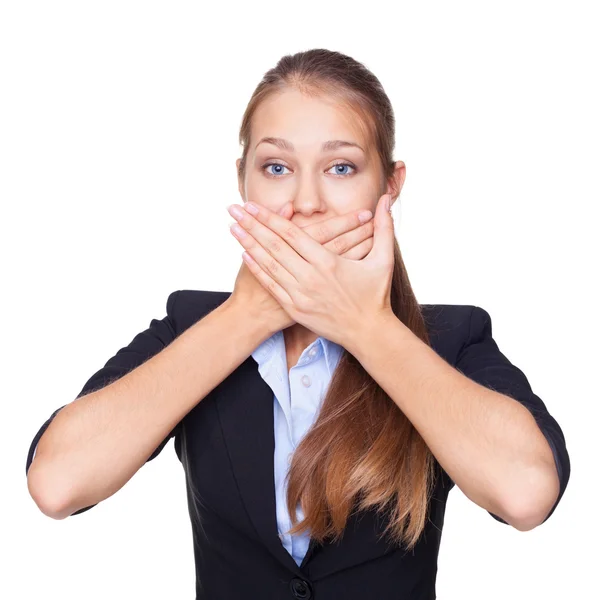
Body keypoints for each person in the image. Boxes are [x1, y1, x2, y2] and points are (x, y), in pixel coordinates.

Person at [25, 48, 570, 599]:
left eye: (341, 167)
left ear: (390, 185)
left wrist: (367, 327)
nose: (306, 202)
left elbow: (526, 495)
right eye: (277, 168)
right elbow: (56, 484)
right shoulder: (189, 326)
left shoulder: (449, 339)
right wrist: (250, 313)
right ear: (243, 182)